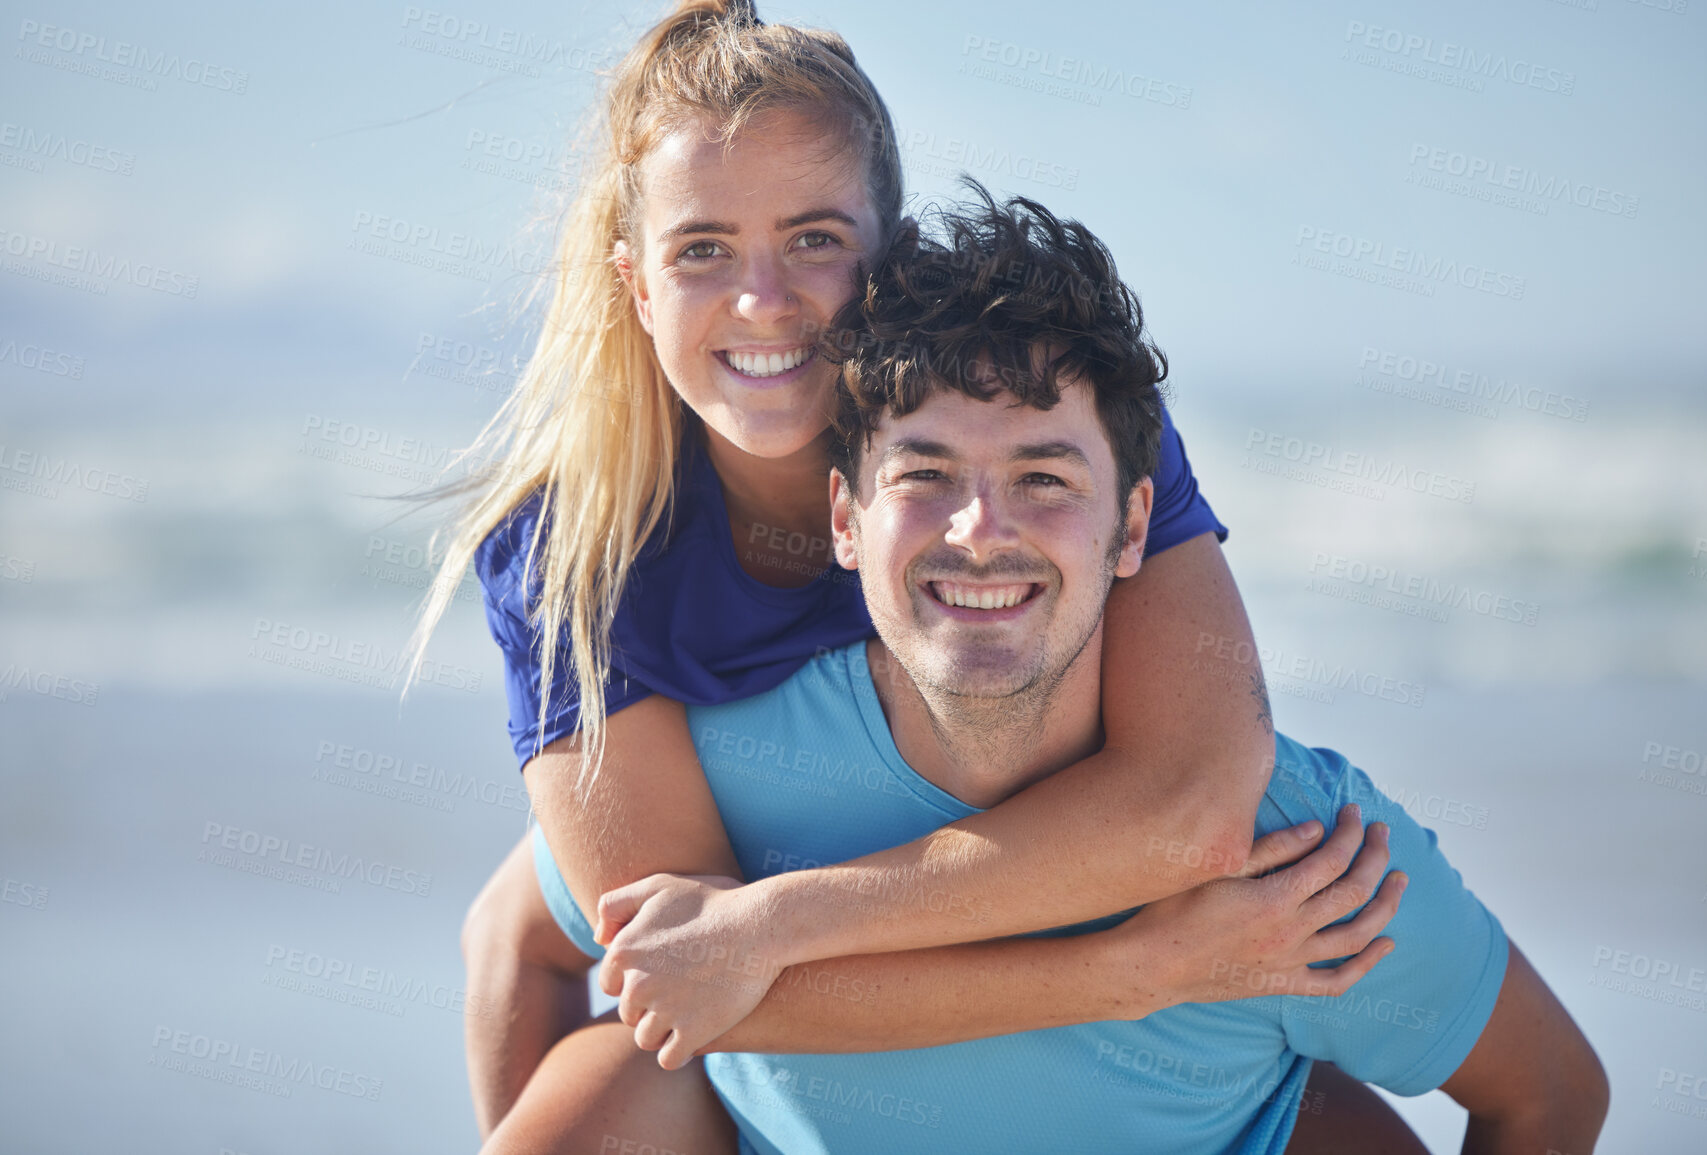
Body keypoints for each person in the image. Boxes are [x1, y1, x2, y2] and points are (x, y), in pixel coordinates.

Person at [405, 0, 1397, 1144]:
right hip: (722, 837)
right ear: (637, 284)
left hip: (851, 845)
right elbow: (684, 974)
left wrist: (772, 921)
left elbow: (1189, 803)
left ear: (893, 250)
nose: (763, 302)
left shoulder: (1038, 433)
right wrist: (1139, 971)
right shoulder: (566, 549)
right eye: (703, 250)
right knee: (521, 932)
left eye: (816, 240)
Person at [489, 190, 1610, 1153]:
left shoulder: (1296, 862)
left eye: (1043, 480)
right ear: (845, 518)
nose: (980, 530)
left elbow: (1552, 1094)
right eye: (925, 472)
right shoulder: (738, 764)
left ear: (1135, 528)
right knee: (608, 1088)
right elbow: (521, 939)